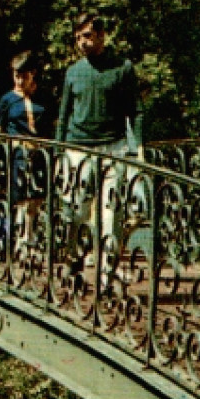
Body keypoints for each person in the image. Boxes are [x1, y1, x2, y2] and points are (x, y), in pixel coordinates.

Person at [54, 15, 142, 266]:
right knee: (77, 209)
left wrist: (139, 147)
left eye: (87, 36)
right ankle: (71, 255)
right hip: (78, 149)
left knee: (110, 211)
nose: (82, 42)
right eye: (78, 37)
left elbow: (135, 110)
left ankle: (107, 271)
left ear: (101, 36)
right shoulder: (73, 72)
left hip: (112, 147)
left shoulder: (121, 69)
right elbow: (63, 115)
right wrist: (59, 154)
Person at [0, 50, 50, 250]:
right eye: (16, 76)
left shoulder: (41, 97)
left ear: (32, 74)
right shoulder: (7, 99)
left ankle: (30, 235)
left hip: (38, 152)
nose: (19, 81)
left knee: (36, 196)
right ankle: (9, 237)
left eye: (24, 76)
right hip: (17, 152)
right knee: (18, 195)